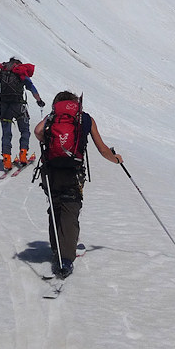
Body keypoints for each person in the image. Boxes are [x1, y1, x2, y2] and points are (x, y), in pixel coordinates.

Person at [34, 91, 122, 277]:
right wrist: (116, 159)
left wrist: (49, 143)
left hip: (51, 169)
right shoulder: (85, 119)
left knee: (55, 204)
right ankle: (65, 259)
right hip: (73, 170)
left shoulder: (52, 116)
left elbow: (37, 131)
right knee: (70, 207)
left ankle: (57, 247)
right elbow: (102, 149)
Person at [0, 57, 44, 170]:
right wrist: (39, 101)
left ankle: (6, 159)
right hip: (18, 106)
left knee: (6, 133)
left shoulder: (1, 73)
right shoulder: (20, 72)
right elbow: (32, 88)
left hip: (4, 107)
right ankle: (23, 154)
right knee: (24, 130)